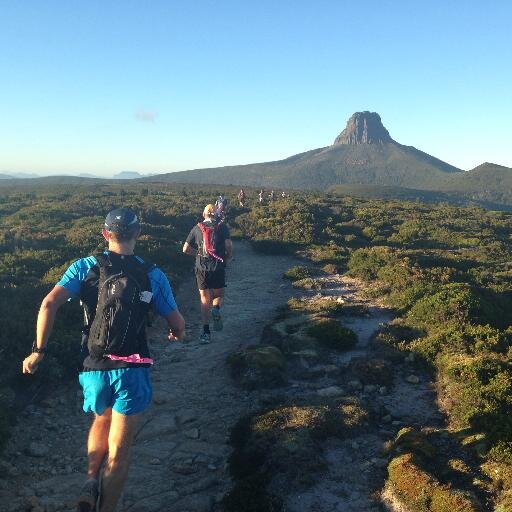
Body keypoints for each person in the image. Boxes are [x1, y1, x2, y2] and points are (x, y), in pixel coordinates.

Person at [22, 208, 185, 512]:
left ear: (105, 234)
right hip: (132, 369)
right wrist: (177, 333)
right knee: (120, 452)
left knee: (101, 418)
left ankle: (89, 481)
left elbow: (48, 304)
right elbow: (177, 322)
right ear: (138, 233)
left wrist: (38, 351)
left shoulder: (84, 267)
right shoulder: (153, 274)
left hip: (92, 364)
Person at [183, 204, 233, 344]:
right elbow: (228, 245)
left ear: (204, 214)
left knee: (204, 300)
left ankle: (206, 332)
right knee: (218, 295)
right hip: (218, 267)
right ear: (215, 214)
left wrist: (198, 254)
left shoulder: (197, 228)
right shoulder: (222, 227)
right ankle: (216, 309)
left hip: (201, 268)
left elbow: (185, 249)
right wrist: (227, 258)